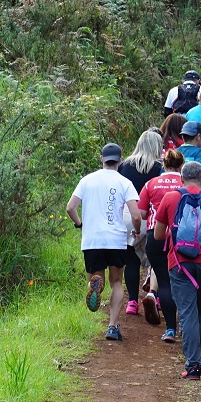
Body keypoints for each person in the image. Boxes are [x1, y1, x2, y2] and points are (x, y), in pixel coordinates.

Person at [153, 161, 201, 379]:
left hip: (179, 264)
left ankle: (193, 365)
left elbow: (158, 235)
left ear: (181, 178)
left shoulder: (170, 198)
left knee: (187, 313)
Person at [66, 143, 142, 341]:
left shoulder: (87, 180)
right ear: (120, 160)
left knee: (96, 276)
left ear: (101, 159)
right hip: (116, 240)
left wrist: (80, 224)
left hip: (92, 240)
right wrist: (135, 230)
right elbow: (135, 214)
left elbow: (70, 208)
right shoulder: (125, 182)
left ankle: (95, 285)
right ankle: (112, 326)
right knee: (117, 282)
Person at [117, 130, 165, 322]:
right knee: (156, 258)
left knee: (131, 259)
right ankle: (156, 295)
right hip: (151, 216)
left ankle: (132, 302)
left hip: (128, 215)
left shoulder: (125, 165)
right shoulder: (158, 167)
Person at [138, 149, 185, 341]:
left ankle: (171, 330)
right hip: (181, 236)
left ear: (163, 164)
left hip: (155, 236)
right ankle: (187, 325)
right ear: (181, 165)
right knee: (181, 282)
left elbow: (141, 213)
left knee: (164, 283)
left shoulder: (150, 183)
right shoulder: (186, 182)